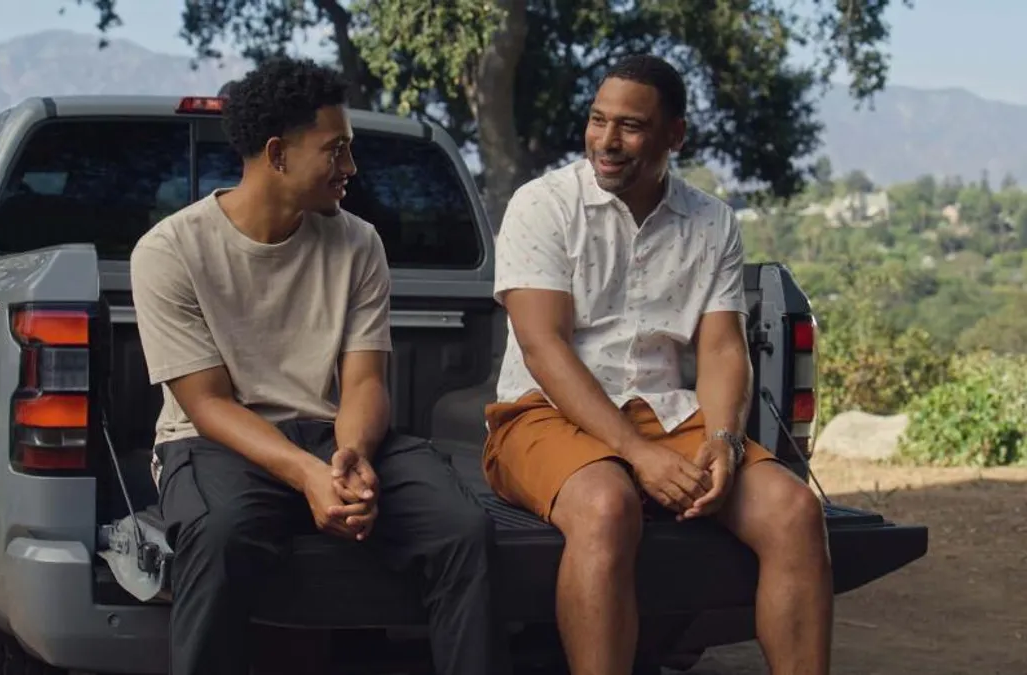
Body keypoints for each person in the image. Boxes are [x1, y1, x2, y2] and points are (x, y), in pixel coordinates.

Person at [130, 56, 507, 675]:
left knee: (462, 528)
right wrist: (308, 475)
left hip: (332, 434)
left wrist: (351, 454)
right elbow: (208, 405)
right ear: (276, 155)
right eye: (336, 152)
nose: (351, 169)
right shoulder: (170, 251)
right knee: (220, 536)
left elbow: (364, 381)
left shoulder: (359, 242)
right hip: (214, 441)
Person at [483, 54, 834, 675]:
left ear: (675, 135)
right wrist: (638, 457)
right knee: (606, 506)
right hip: (541, 413)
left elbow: (723, 346)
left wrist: (725, 440)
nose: (607, 142)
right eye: (597, 121)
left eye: (630, 126)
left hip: (669, 416)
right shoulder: (543, 205)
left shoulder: (712, 220)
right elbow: (544, 349)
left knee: (794, 510)